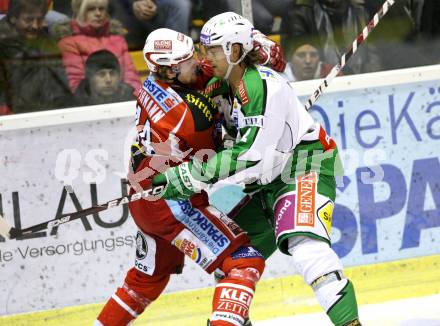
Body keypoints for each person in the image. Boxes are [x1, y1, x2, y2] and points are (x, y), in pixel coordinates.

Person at [151, 12, 361, 326]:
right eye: (204, 49)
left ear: (234, 51)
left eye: (213, 50)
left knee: (306, 248)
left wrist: (189, 175)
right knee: (234, 261)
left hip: (304, 164)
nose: (206, 58)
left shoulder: (262, 87)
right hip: (266, 181)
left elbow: (251, 155)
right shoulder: (227, 79)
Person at [94, 28, 266, 326]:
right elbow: (217, 164)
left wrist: (260, 49)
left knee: (145, 281)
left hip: (145, 198)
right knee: (243, 261)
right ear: (170, 70)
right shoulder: (188, 117)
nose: (198, 62)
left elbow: (207, 74)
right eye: (188, 60)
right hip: (172, 202)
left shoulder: (156, 83)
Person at [53, 0, 140, 95]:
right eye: (91, 9)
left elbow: (131, 77)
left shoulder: (118, 40)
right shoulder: (69, 43)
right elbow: (76, 83)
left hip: (122, 99)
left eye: (101, 9)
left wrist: (137, 101)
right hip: (91, 103)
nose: (98, 13)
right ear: (79, 11)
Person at [0, 0, 72, 114]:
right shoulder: (3, 46)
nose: (35, 26)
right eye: (28, 20)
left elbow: (62, 83)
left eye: (39, 20)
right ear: (13, 18)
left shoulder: (46, 42)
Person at [282, 0, 381, 75]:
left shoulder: (363, 8)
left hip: (365, 80)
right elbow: (300, 62)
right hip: (322, 83)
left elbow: (376, 53)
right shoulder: (299, 12)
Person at [109, 0, 191, 50]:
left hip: (158, 6)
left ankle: (177, 57)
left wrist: (151, 1)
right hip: (124, 7)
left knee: (181, 4)